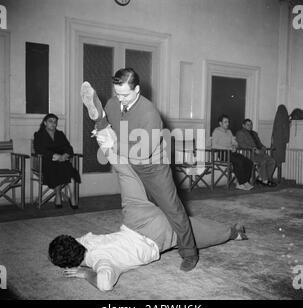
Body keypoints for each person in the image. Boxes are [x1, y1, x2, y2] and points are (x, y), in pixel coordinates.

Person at [48, 124, 248, 292]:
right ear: (73, 241)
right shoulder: (86, 241)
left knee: (193, 232)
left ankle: (233, 233)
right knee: (126, 175)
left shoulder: (100, 262)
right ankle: (106, 139)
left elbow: (104, 284)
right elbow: (73, 245)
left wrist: (85, 272)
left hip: (155, 237)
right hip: (136, 219)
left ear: (72, 265)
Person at [80, 69, 199, 272]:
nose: (120, 99)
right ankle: (98, 116)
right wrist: (103, 128)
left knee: (173, 209)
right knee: (103, 128)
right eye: (117, 94)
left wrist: (114, 143)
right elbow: (113, 126)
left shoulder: (149, 113)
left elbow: (143, 151)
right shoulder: (114, 102)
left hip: (153, 166)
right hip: (128, 161)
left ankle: (190, 253)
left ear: (137, 89)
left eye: (125, 95)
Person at [33, 113, 81, 209]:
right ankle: (58, 195)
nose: (53, 124)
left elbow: (69, 148)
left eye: (55, 122)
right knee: (58, 168)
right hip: (47, 161)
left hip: (62, 161)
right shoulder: (39, 135)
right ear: (45, 123)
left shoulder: (60, 134)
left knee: (69, 170)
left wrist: (65, 155)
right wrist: (55, 156)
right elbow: (39, 149)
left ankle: (72, 197)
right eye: (50, 121)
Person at [211, 114, 254, 191]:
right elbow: (214, 145)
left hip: (231, 153)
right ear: (220, 123)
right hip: (223, 154)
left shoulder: (229, 132)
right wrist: (228, 148)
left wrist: (234, 146)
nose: (227, 124)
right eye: (225, 122)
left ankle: (245, 181)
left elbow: (234, 142)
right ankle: (240, 183)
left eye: (228, 122)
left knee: (248, 162)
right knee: (239, 162)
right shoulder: (216, 131)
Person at [236, 119, 276, 187]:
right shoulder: (240, 133)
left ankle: (262, 178)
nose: (250, 126)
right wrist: (253, 149)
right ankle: (265, 181)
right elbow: (242, 144)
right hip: (248, 154)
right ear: (243, 125)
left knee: (272, 161)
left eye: (251, 124)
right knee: (263, 161)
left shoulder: (254, 133)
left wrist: (263, 148)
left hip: (259, 153)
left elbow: (259, 144)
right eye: (247, 125)